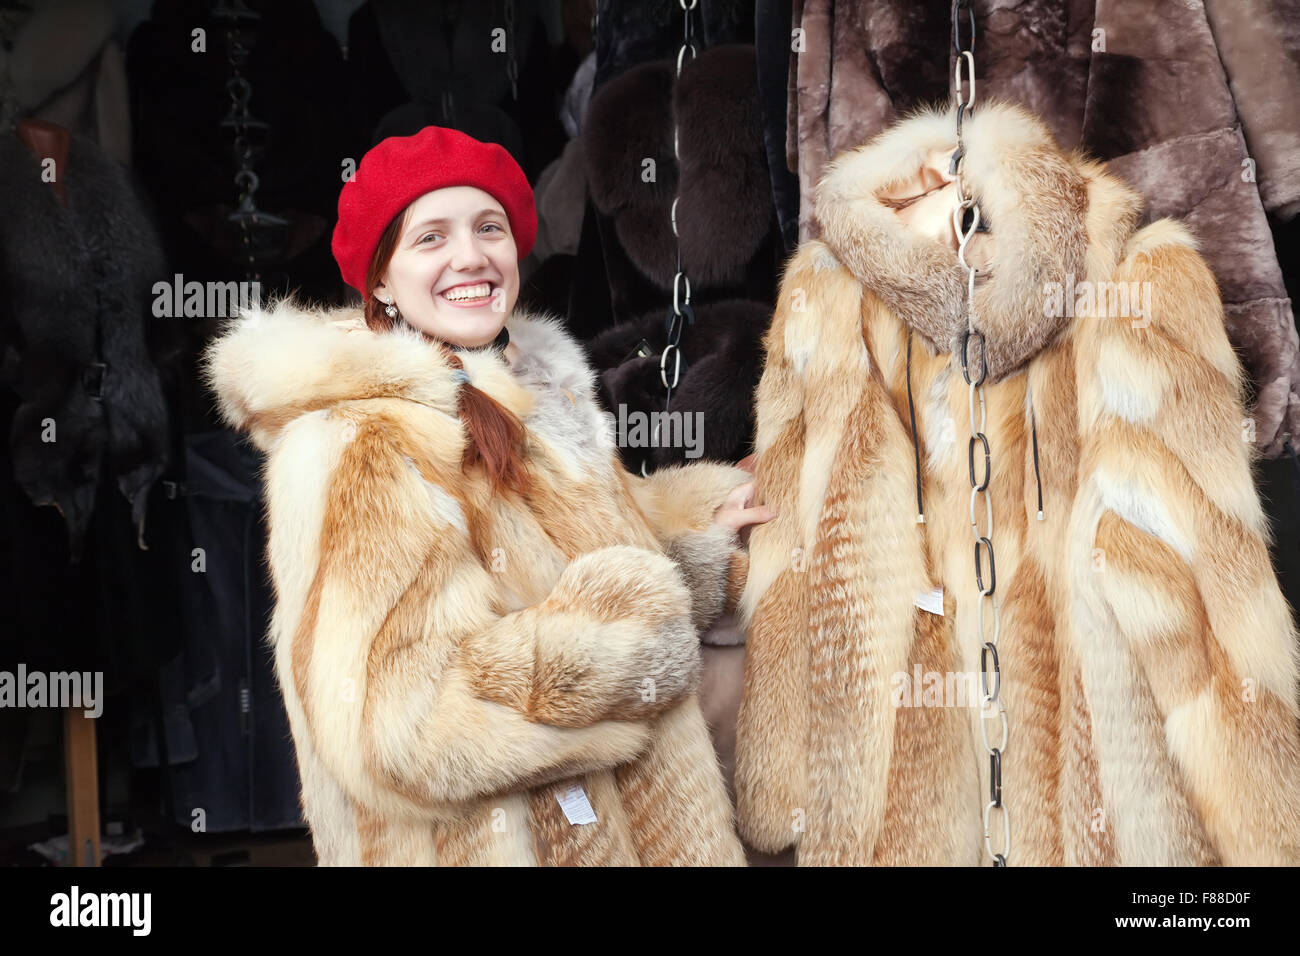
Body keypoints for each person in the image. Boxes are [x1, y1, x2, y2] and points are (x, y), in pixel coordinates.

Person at [203, 126, 774, 865]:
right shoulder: (363, 443)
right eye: (430, 237)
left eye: (489, 228)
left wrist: (700, 539)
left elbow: (599, 568)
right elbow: (399, 726)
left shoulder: (539, 395)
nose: (470, 256)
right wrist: (617, 644)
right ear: (380, 279)